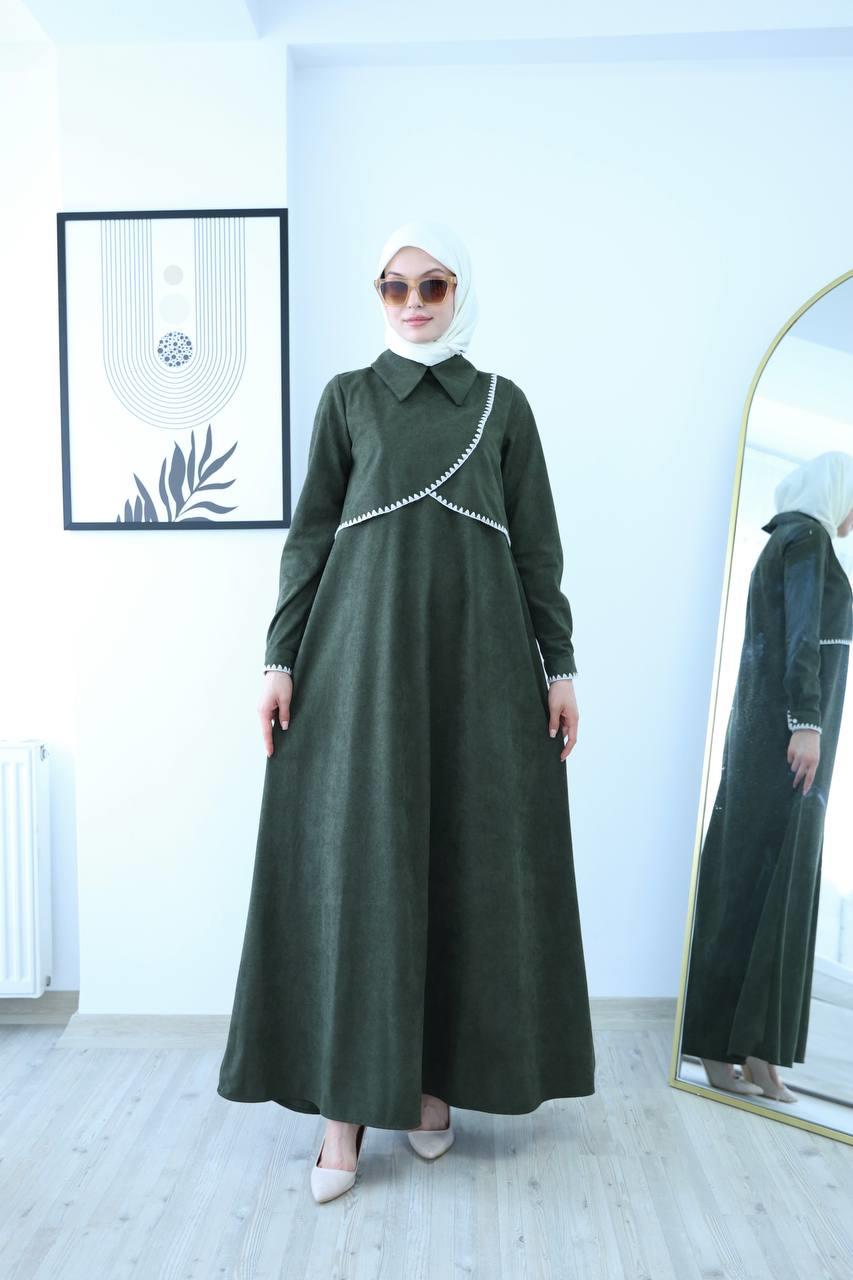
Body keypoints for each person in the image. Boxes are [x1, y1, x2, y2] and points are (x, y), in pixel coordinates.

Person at [217, 219, 596, 1203]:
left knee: (461, 862)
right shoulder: (347, 398)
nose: (414, 301)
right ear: (377, 294)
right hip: (361, 665)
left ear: (459, 290)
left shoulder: (502, 404)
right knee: (364, 866)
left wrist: (558, 666)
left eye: (433, 284)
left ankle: (433, 1087)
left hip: (480, 667)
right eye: (394, 285)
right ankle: (342, 1114)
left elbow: (537, 549)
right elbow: (308, 538)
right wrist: (278, 659)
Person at [681, 451, 853, 1102]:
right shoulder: (806, 540)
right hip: (788, 743)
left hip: (770, 739)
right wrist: (805, 723)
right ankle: (738, 1050)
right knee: (767, 884)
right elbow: (801, 639)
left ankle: (745, 1051)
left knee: (753, 883)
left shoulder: (788, 540)